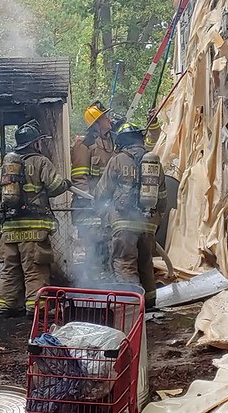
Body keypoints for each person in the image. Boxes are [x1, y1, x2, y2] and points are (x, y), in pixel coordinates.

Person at [0, 120, 70, 315]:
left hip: (9, 228)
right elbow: (55, 187)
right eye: (39, 142)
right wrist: (66, 183)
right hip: (33, 229)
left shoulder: (6, 164)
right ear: (35, 144)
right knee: (35, 270)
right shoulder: (41, 161)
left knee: (10, 269)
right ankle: (37, 309)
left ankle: (3, 305)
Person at [95, 121, 160, 307]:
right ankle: (149, 303)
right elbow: (162, 198)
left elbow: (102, 191)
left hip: (123, 224)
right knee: (146, 263)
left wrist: (101, 210)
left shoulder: (117, 160)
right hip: (148, 223)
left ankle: (132, 307)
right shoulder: (153, 162)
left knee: (125, 263)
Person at [70, 102, 116, 278]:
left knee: (109, 246)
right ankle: (93, 283)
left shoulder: (112, 141)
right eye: (105, 117)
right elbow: (79, 177)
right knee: (95, 247)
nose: (109, 119)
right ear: (96, 123)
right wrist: (89, 201)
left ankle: (107, 281)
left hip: (108, 205)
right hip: (90, 206)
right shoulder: (84, 145)